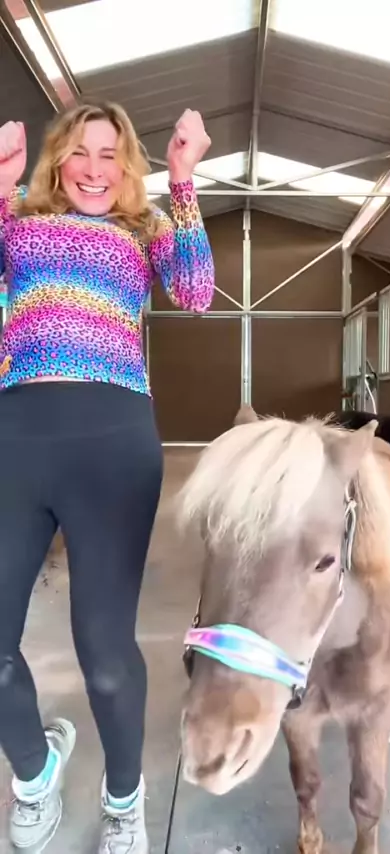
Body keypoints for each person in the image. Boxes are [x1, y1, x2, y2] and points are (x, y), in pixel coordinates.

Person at [0, 102, 214, 853]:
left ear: (127, 167)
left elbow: (196, 291)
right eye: (80, 152)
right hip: (16, 442)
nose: (94, 169)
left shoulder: (143, 228)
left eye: (110, 155)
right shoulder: (16, 224)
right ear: (57, 160)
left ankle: (125, 796)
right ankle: (35, 771)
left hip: (113, 445)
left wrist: (183, 177)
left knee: (106, 655)